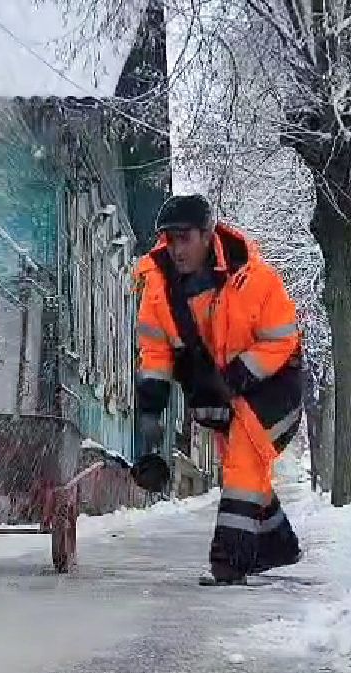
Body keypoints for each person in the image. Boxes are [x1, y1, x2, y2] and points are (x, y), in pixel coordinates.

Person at [129, 195, 306, 585]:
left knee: (244, 463)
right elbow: (155, 353)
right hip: (227, 395)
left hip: (275, 389)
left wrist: (232, 379)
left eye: (185, 238)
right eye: (169, 239)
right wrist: (150, 412)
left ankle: (229, 564)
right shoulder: (158, 290)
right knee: (243, 472)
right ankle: (278, 547)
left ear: (208, 236)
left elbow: (281, 341)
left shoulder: (254, 279)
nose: (176, 249)